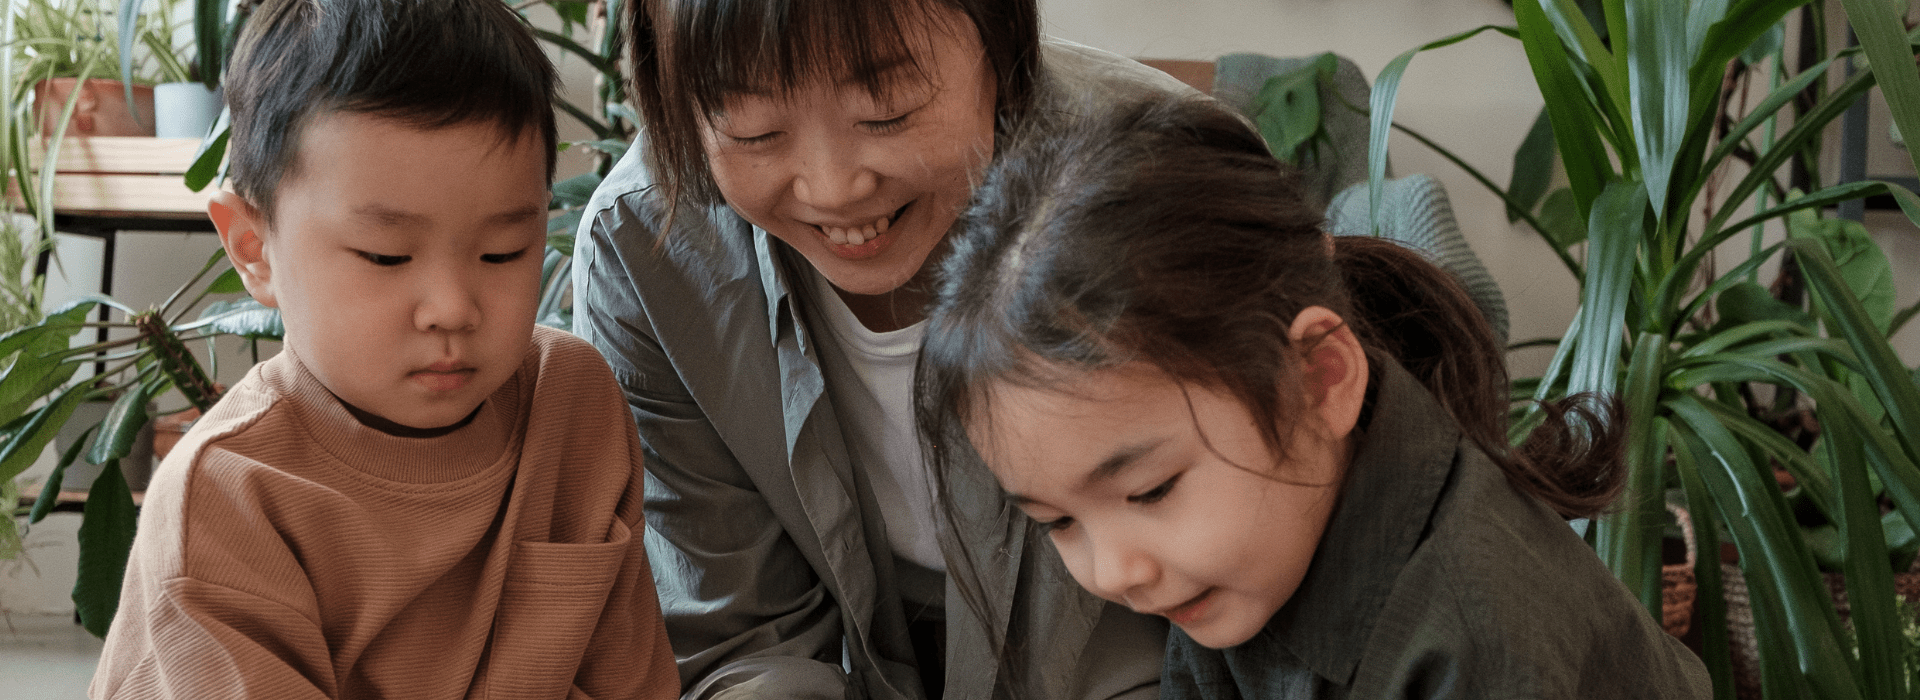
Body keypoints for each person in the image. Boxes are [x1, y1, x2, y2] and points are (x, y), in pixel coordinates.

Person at [914, 95, 1714, 699]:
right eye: (1057, 521)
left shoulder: (1483, 634)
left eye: (1150, 489)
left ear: (1320, 378)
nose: (1115, 569)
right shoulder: (1243, 563)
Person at [571, 1, 1191, 698]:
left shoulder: (1166, 179)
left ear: (1002, 41)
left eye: (887, 112)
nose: (835, 189)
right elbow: (740, 643)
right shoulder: (645, 250)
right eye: (755, 130)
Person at [90, 1, 679, 697]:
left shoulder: (574, 404)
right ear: (255, 250)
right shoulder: (225, 500)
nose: (453, 309)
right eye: (386, 256)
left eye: (502, 252)